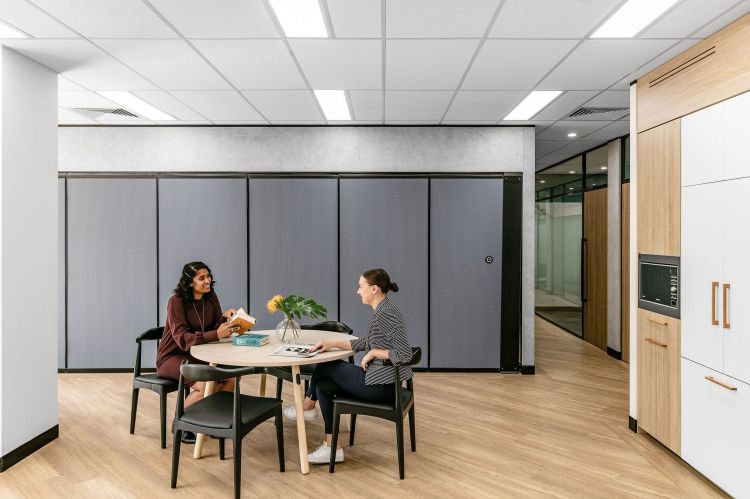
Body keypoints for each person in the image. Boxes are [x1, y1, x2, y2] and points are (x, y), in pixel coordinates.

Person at [285, 268, 413, 464]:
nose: (357, 291)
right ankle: (332, 447)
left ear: (374, 289)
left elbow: (405, 354)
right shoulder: (384, 309)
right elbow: (365, 342)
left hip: (380, 387)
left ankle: (307, 405)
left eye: (361, 286)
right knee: (323, 386)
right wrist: (331, 343)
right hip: (378, 381)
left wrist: (374, 353)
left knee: (326, 363)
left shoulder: (385, 314)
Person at [156, 261, 238, 444]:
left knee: (228, 378)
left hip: (197, 355)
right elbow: (183, 338)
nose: (207, 281)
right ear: (190, 282)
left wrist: (226, 317)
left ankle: (213, 423)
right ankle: (181, 424)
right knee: (204, 385)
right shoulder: (176, 302)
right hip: (172, 357)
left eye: (208, 276)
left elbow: (215, 326)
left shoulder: (211, 297)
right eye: (202, 278)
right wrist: (217, 333)